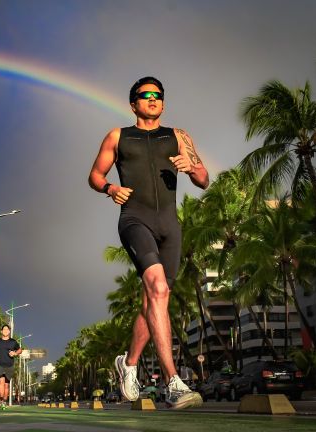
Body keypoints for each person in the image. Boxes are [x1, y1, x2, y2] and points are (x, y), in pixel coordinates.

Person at [88, 76, 209, 409]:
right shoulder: (118, 136)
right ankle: (173, 383)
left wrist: (191, 167)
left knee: (155, 299)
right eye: (146, 95)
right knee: (157, 288)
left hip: (170, 225)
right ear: (134, 104)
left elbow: (203, 180)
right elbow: (95, 175)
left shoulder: (179, 137)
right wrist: (111, 189)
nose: (153, 99)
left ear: (163, 103)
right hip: (134, 219)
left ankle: (128, 364)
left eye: (158, 95)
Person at [0, 324, 22, 409]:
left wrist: (15, 353)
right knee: (1, 382)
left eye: (7, 329)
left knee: (6, 385)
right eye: (4, 329)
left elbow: (20, 350)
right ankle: (2, 401)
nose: (5, 331)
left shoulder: (13, 342)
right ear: (1, 331)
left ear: (9, 331)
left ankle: (5, 400)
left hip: (9, 365)